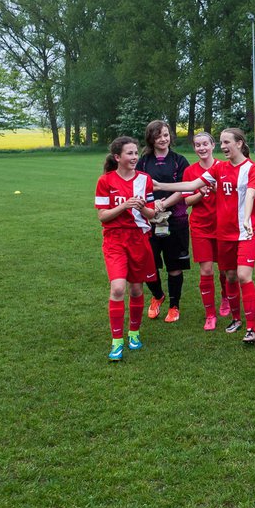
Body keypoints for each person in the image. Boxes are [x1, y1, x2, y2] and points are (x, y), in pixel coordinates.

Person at [154, 128, 255, 344]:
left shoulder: (253, 168)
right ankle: (235, 319)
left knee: (243, 275)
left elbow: (251, 193)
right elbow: (191, 185)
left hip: (248, 230)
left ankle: (251, 328)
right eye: (221, 142)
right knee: (230, 275)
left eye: (226, 142)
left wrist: (246, 217)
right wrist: (160, 185)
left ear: (239, 143)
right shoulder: (219, 168)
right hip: (224, 233)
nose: (223, 146)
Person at [95, 136, 158, 361]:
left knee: (136, 290)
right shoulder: (106, 181)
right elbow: (103, 216)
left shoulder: (145, 179)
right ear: (117, 157)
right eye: (129, 154)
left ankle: (133, 333)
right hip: (114, 240)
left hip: (139, 239)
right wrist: (124, 205)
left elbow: (152, 214)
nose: (134, 158)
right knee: (118, 288)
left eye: (135, 153)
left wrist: (142, 209)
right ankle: (116, 341)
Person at [136, 120, 191, 324]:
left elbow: (184, 188)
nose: (163, 139)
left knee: (174, 265)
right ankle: (158, 295)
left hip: (175, 220)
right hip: (148, 220)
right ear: (151, 138)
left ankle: (174, 306)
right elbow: (137, 186)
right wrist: (152, 205)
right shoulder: (142, 161)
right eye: (158, 136)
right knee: (149, 264)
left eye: (166, 135)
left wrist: (163, 203)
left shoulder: (179, 160)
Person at [176, 131, 222, 332]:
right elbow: (186, 201)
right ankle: (210, 314)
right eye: (197, 145)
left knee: (228, 272)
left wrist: (216, 189)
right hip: (200, 226)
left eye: (205, 144)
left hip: (223, 225)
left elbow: (232, 197)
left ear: (213, 145)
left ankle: (228, 299)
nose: (201, 148)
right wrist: (201, 193)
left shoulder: (223, 167)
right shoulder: (190, 171)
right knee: (206, 270)